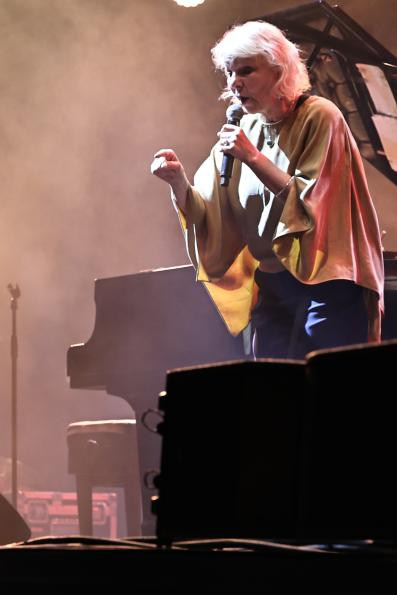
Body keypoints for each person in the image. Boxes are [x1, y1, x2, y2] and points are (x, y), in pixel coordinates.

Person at [151, 20, 384, 359]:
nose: (235, 82)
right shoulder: (243, 128)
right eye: (230, 73)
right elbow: (209, 212)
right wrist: (177, 182)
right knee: (272, 386)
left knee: (330, 383)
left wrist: (252, 157)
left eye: (246, 70)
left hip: (326, 282)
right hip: (274, 284)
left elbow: (312, 203)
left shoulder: (319, 116)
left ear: (278, 70)